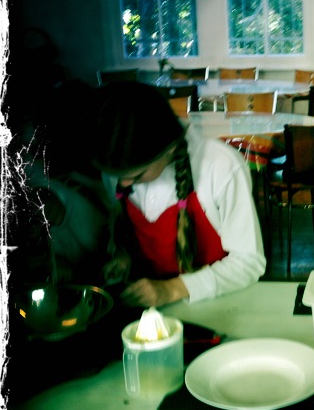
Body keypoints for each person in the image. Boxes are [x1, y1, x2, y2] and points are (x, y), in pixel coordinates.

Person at [92, 81, 266, 307]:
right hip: (149, 306)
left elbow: (249, 263)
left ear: (170, 148)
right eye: (117, 176)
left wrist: (172, 289)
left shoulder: (219, 166)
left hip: (217, 302)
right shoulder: (116, 169)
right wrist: (124, 257)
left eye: (137, 175)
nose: (123, 183)